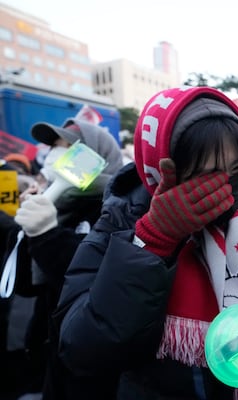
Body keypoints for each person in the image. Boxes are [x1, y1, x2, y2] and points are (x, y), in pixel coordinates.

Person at [53, 86, 238, 400]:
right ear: (162, 167)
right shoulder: (121, 221)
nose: (225, 184)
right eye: (206, 173)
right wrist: (152, 243)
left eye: (237, 169)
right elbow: (81, 348)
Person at [1, 118, 124, 399]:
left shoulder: (117, 207)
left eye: (68, 147)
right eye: (54, 146)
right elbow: (25, 285)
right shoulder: (60, 204)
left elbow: (90, 276)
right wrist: (27, 227)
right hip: (48, 350)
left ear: (96, 156)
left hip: (91, 362)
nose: (58, 154)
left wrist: (48, 234)